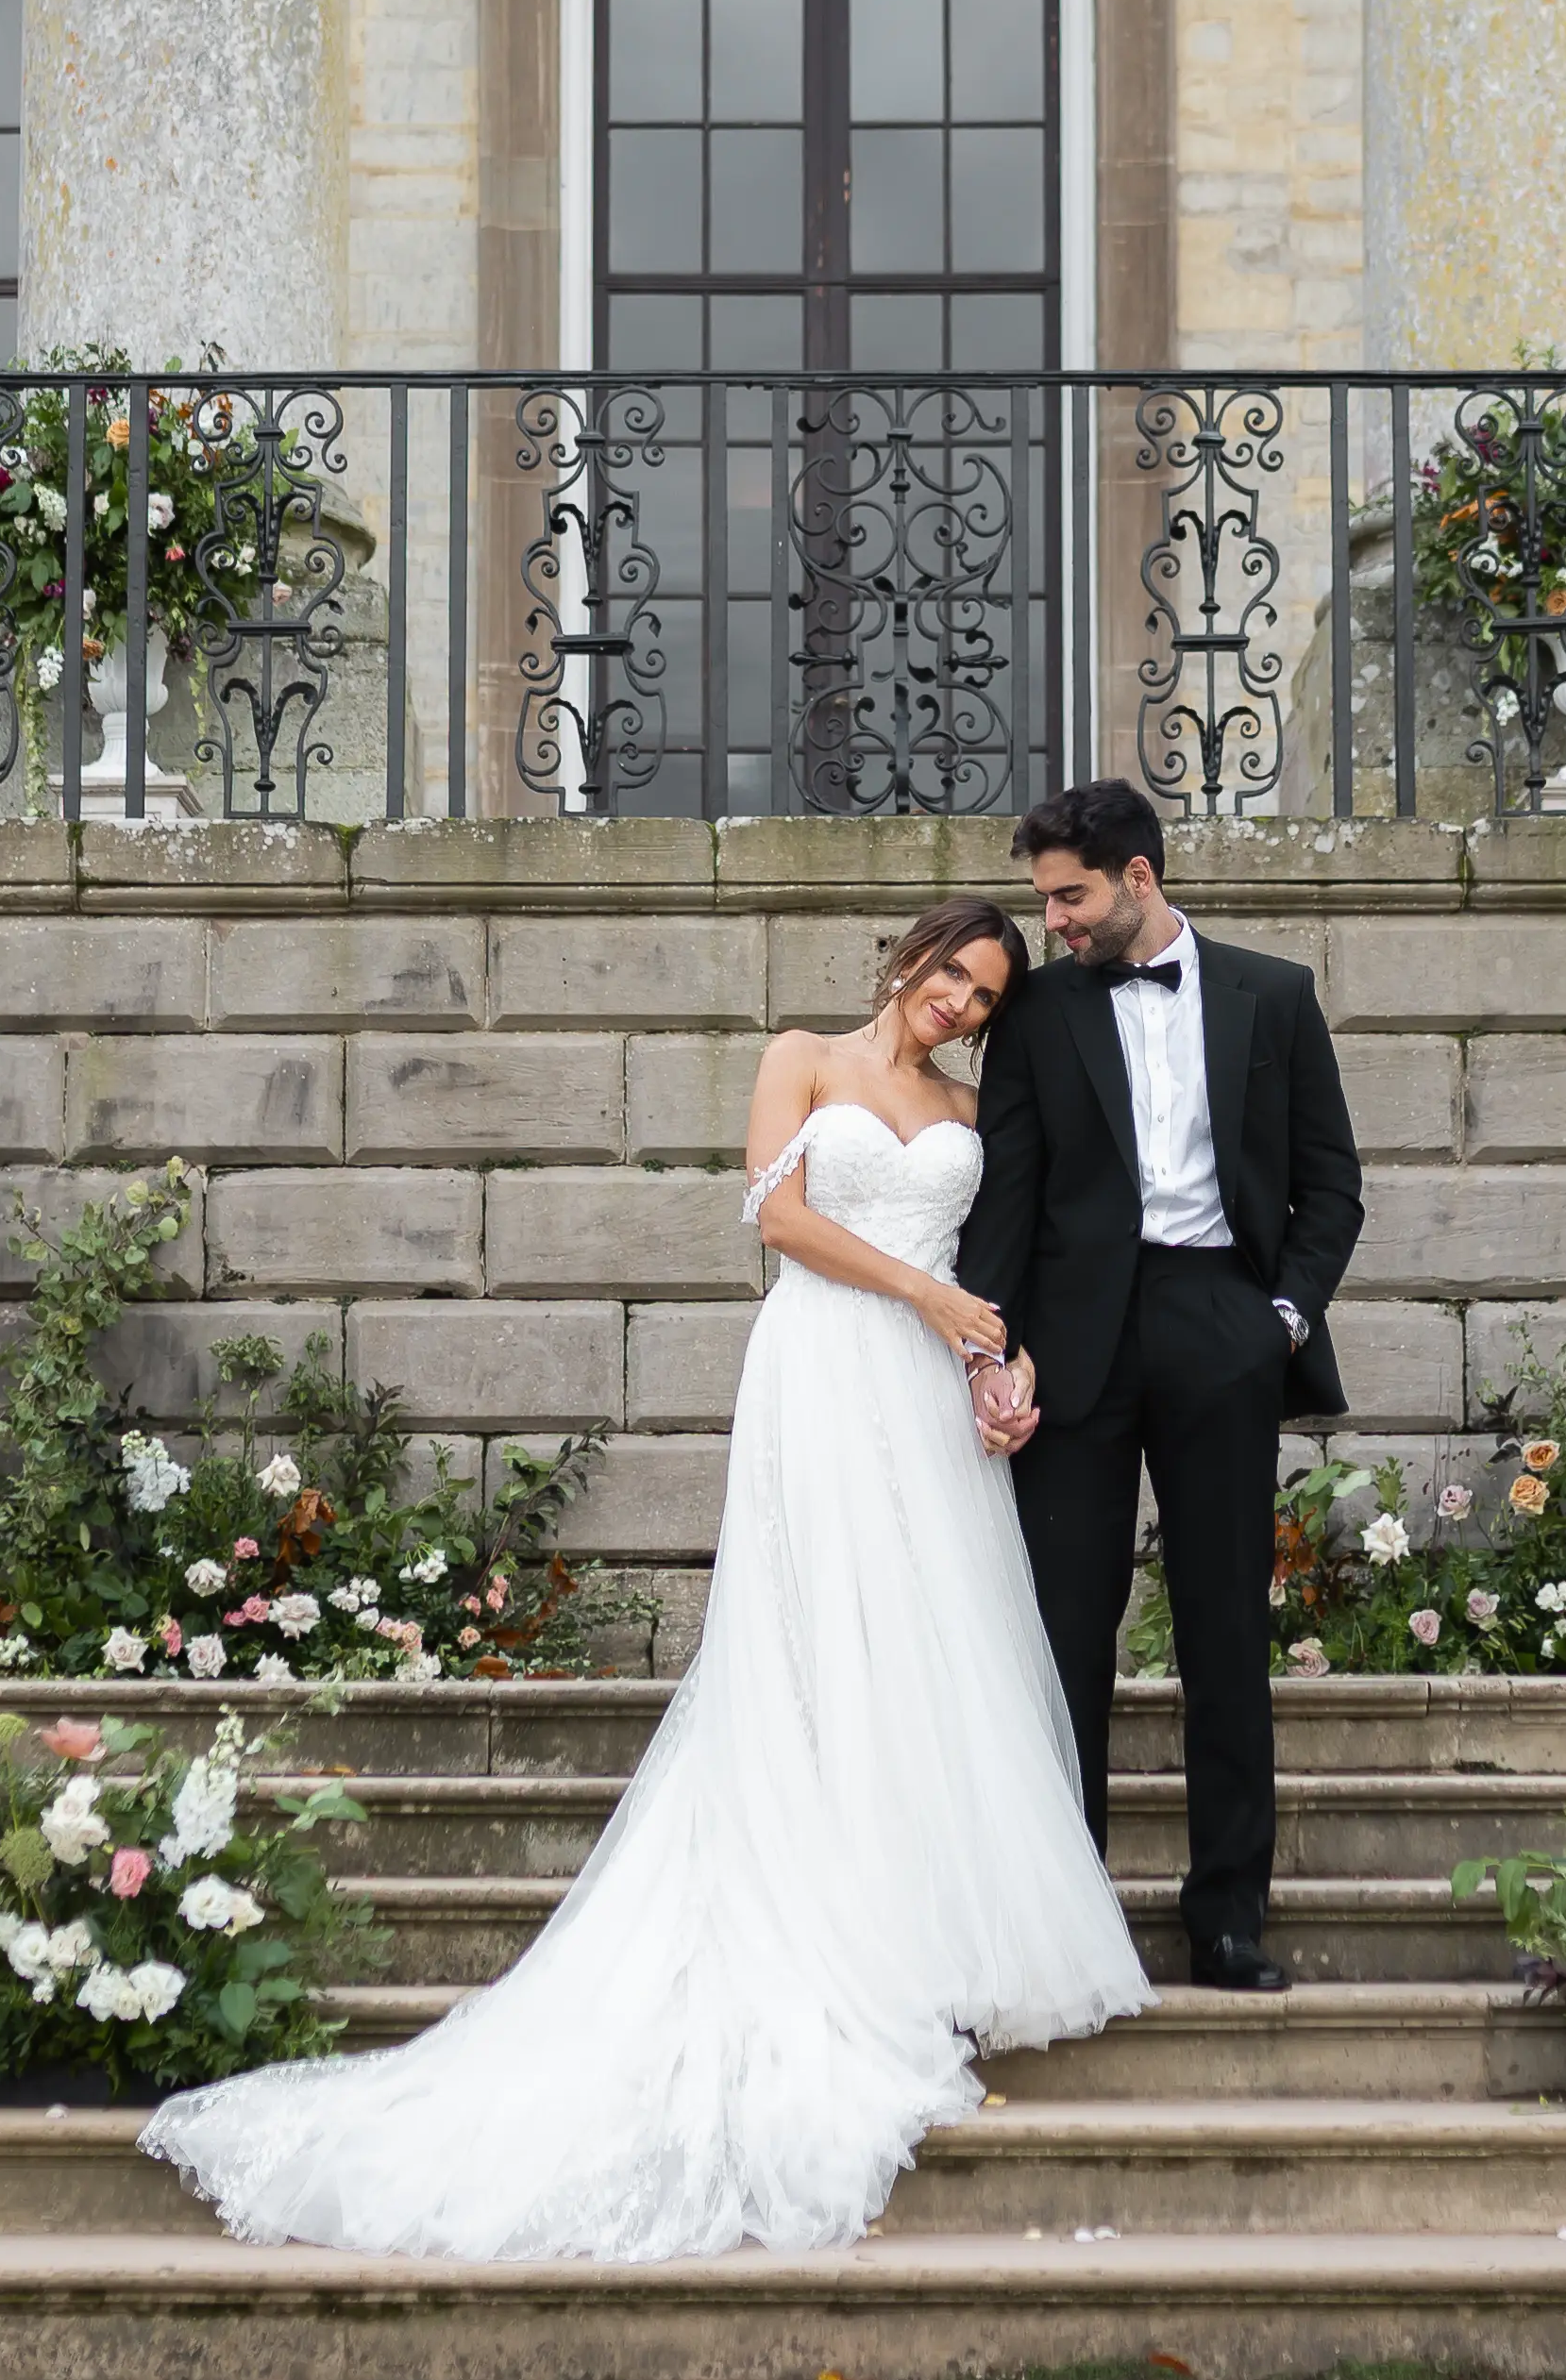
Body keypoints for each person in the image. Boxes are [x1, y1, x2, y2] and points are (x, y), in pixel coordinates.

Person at [143, 896, 1144, 2262]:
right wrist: (927, 1303)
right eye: (950, 974)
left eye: (982, 996)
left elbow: (992, 1273)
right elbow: (777, 1215)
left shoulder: (973, 1114)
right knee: (809, 1632)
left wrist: (995, 1368)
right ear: (906, 956)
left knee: (925, 1637)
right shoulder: (803, 1054)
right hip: (825, 1358)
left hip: (926, 1394)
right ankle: (814, 1908)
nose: (958, 1005)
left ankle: (915, 1928)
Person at [953, 778, 1364, 1996]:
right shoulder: (1036, 1013)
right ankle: (1068, 1924)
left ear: (1140, 876)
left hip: (1220, 1326)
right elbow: (1008, 1197)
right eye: (1044, 900)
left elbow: (1329, 1185)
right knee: (1064, 1640)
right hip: (1073, 1343)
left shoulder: (1273, 996)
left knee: (1226, 1634)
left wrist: (1279, 1319)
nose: (1054, 922)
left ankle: (1228, 1919)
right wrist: (993, 1349)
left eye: (1069, 896)